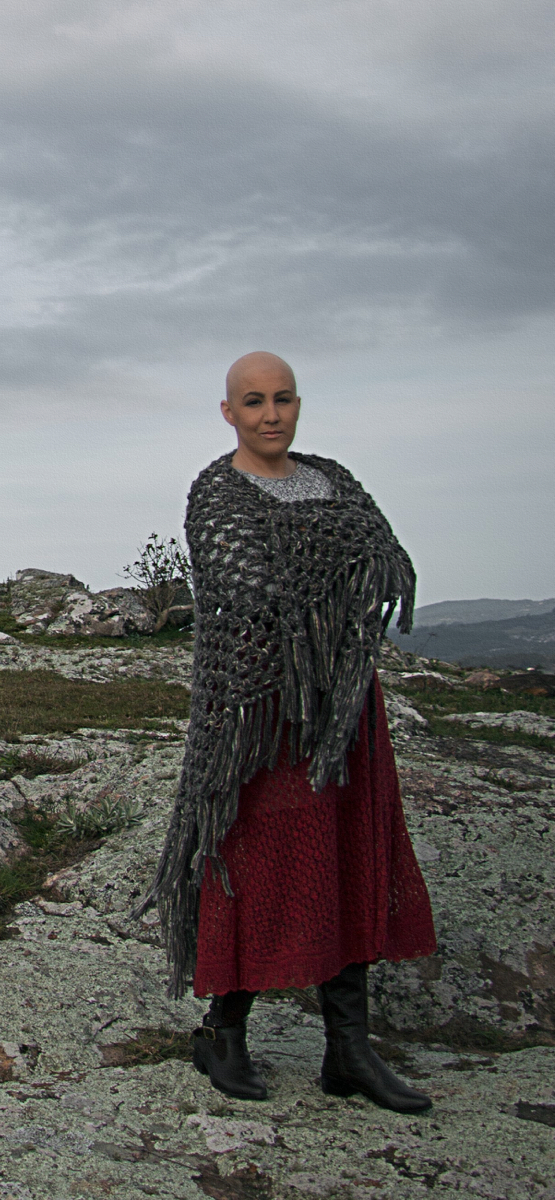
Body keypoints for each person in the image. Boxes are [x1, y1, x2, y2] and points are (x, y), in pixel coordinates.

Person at [134, 352, 436, 1112]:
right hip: (261, 711)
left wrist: (320, 578)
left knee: (350, 851)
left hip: (346, 704)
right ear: (229, 412)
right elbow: (251, 593)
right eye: (254, 401)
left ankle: (349, 1050)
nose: (271, 414)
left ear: (299, 404)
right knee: (253, 856)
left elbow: (388, 562)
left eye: (284, 399)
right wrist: (334, 572)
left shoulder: (334, 477)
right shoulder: (218, 493)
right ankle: (223, 1033)